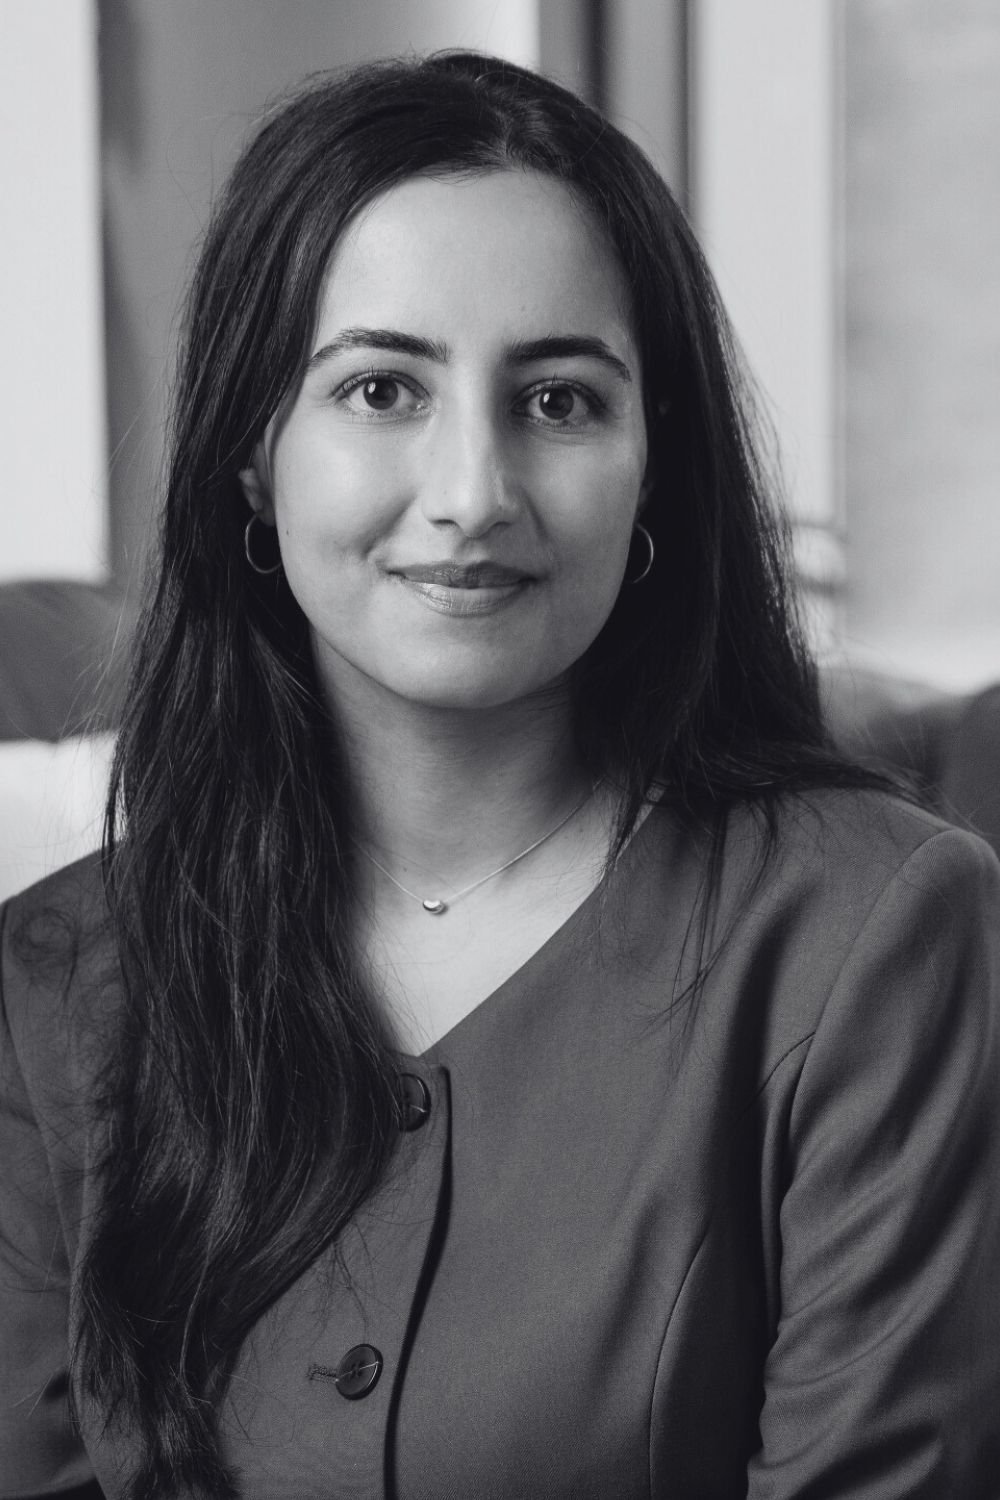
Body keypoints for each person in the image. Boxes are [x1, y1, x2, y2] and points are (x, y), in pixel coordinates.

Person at [1, 51, 998, 1500]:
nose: (472, 491)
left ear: (656, 462)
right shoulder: (55, 983)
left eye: (559, 402)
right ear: (250, 456)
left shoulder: (880, 936)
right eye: (383, 387)